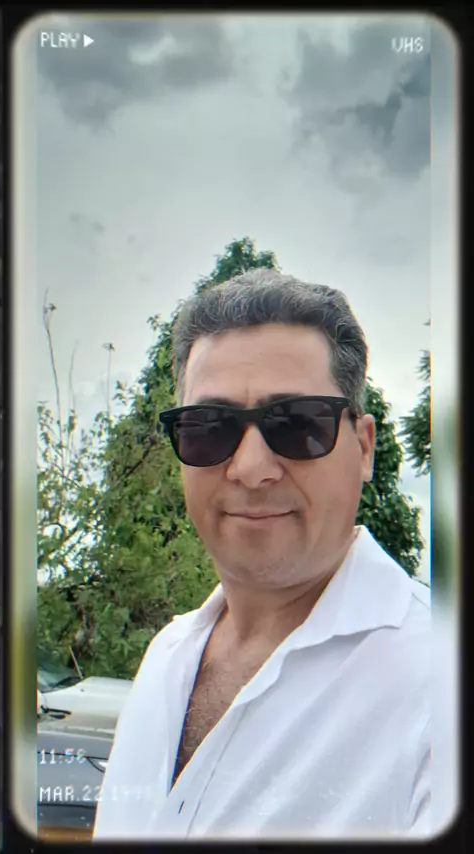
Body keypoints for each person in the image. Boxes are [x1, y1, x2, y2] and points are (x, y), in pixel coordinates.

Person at [93, 269, 431, 841]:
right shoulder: (166, 657)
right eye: (209, 427)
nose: (250, 469)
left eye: (297, 424)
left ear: (364, 447)